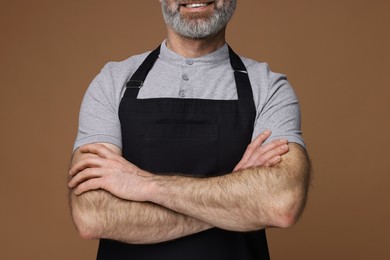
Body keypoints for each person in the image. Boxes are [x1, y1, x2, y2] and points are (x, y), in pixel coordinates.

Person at [68, 0, 311, 259]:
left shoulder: (269, 88)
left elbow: (282, 203)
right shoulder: (112, 82)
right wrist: (235, 201)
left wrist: (146, 185)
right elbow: (92, 215)